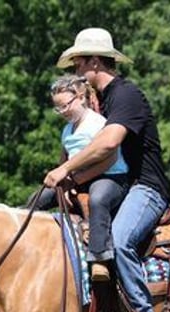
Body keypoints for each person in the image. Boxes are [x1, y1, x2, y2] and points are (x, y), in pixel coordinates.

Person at [44, 28, 170, 312]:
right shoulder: (101, 100)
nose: (75, 71)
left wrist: (66, 170)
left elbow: (108, 142)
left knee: (121, 237)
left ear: (95, 62)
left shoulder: (125, 94)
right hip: (121, 185)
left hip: (145, 187)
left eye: (78, 63)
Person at [28, 74, 129, 282]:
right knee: (36, 200)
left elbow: (108, 160)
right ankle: (26, 245)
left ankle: (100, 258)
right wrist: (62, 182)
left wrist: (74, 180)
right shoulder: (67, 129)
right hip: (77, 178)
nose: (63, 112)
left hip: (109, 176)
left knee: (98, 199)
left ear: (81, 97)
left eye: (66, 105)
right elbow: (64, 161)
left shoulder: (97, 124)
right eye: (58, 109)